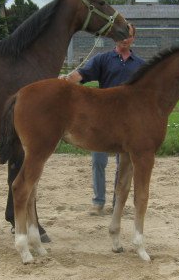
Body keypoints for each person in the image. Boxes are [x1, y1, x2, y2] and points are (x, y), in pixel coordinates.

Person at [60, 23, 145, 215]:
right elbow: (81, 75)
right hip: (103, 121)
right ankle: (98, 202)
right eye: (121, 35)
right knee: (98, 161)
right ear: (115, 37)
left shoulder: (140, 65)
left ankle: (118, 203)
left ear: (133, 39)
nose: (124, 39)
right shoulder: (103, 59)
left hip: (128, 123)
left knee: (123, 164)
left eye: (127, 36)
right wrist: (65, 80)